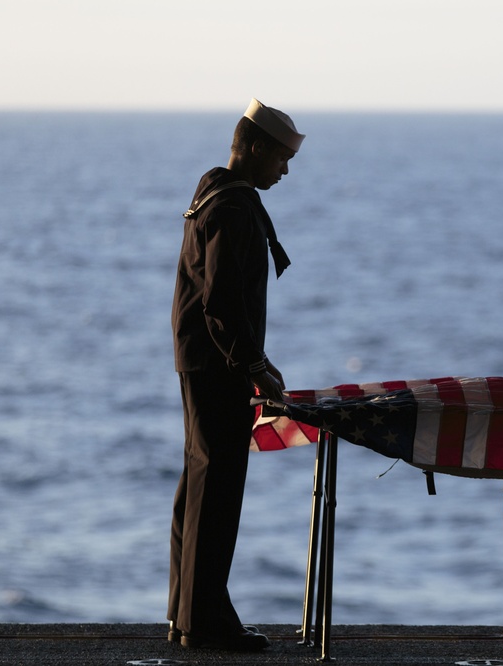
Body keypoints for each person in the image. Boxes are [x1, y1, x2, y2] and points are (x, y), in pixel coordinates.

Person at [167, 98, 304, 652]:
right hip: (220, 366)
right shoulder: (234, 207)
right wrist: (253, 365)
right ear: (252, 147)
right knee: (217, 490)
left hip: (202, 360)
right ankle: (206, 623)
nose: (285, 169)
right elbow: (222, 300)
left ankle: (187, 614)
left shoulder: (213, 193)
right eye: (279, 156)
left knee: (199, 486)